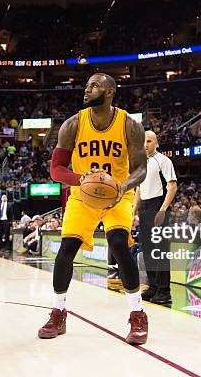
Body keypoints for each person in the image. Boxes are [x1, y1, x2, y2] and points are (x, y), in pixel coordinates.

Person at [38, 73, 148, 344]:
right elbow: (56, 170)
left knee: (119, 244)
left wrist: (123, 187)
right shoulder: (72, 125)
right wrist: (81, 180)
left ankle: (138, 314)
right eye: (86, 85)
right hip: (83, 196)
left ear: (110, 92)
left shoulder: (130, 126)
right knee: (65, 251)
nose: (87, 90)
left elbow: (141, 169)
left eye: (94, 86)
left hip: (118, 193)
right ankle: (58, 311)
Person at [135, 131, 177, 305]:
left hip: (158, 206)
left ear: (156, 143)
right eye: (143, 141)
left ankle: (164, 291)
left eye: (149, 141)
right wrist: (133, 212)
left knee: (160, 251)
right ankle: (153, 286)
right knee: (148, 251)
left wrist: (163, 209)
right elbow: (138, 188)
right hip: (144, 207)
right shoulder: (140, 162)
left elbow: (172, 186)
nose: (145, 144)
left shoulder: (163, 161)